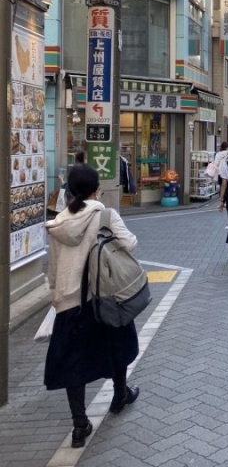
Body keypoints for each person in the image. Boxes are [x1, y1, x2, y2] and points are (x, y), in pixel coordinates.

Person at [45, 164, 140, 448]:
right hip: (104, 296)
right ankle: (120, 395)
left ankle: (79, 424)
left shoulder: (60, 222)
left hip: (69, 300)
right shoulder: (105, 215)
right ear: (97, 188)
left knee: (73, 360)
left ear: (70, 191)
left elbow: (54, 267)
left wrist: (56, 295)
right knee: (118, 345)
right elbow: (130, 244)